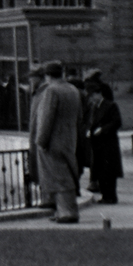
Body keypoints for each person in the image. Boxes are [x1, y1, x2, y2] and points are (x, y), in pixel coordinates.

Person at [30, 59, 82, 222]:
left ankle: (67, 212)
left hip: (52, 141)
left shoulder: (51, 91)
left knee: (58, 177)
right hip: (69, 139)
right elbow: (79, 116)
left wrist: (41, 141)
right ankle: (63, 211)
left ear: (47, 75)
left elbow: (46, 118)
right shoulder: (72, 89)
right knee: (67, 173)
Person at [83, 71, 123, 204]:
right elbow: (91, 122)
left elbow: (117, 122)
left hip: (108, 143)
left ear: (98, 94)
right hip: (98, 143)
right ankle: (106, 195)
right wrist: (90, 130)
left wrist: (103, 129)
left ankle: (111, 195)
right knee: (100, 170)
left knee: (108, 171)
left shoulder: (110, 106)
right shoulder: (95, 107)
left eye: (93, 96)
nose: (92, 99)